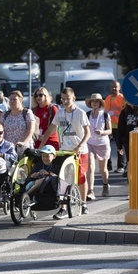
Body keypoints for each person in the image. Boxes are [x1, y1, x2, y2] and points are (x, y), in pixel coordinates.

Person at [40, 87, 90, 219]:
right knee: (62, 178)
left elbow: (88, 133)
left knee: (80, 177)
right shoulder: (60, 113)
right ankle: (63, 207)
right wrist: (41, 146)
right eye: (63, 99)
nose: (65, 101)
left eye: (67, 99)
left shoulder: (80, 113)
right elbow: (50, 129)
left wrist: (79, 146)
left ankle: (83, 204)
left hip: (79, 151)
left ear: (73, 98)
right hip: (64, 151)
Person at [85, 93, 112, 199]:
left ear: (100, 103)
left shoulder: (105, 115)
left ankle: (105, 185)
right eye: (92, 101)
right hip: (90, 143)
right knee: (90, 167)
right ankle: (90, 191)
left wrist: (102, 132)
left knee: (103, 169)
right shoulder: (87, 115)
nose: (94, 103)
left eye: (96, 101)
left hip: (103, 143)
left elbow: (110, 130)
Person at [2, 90, 36, 157]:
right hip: (9, 150)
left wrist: (23, 142)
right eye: (10, 99)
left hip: (24, 149)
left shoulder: (27, 113)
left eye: (14, 99)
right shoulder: (5, 114)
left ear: (20, 100)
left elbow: (31, 130)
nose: (12, 101)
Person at [104, 80, 125, 173]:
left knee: (119, 146)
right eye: (112, 87)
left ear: (119, 88)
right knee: (106, 146)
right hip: (108, 125)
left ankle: (121, 166)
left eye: (116, 87)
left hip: (119, 126)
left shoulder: (122, 98)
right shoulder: (108, 98)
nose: (114, 88)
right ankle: (108, 166)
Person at [118, 101, 138, 179]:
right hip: (128, 140)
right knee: (130, 160)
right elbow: (121, 128)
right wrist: (119, 144)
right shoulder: (124, 112)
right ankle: (131, 178)